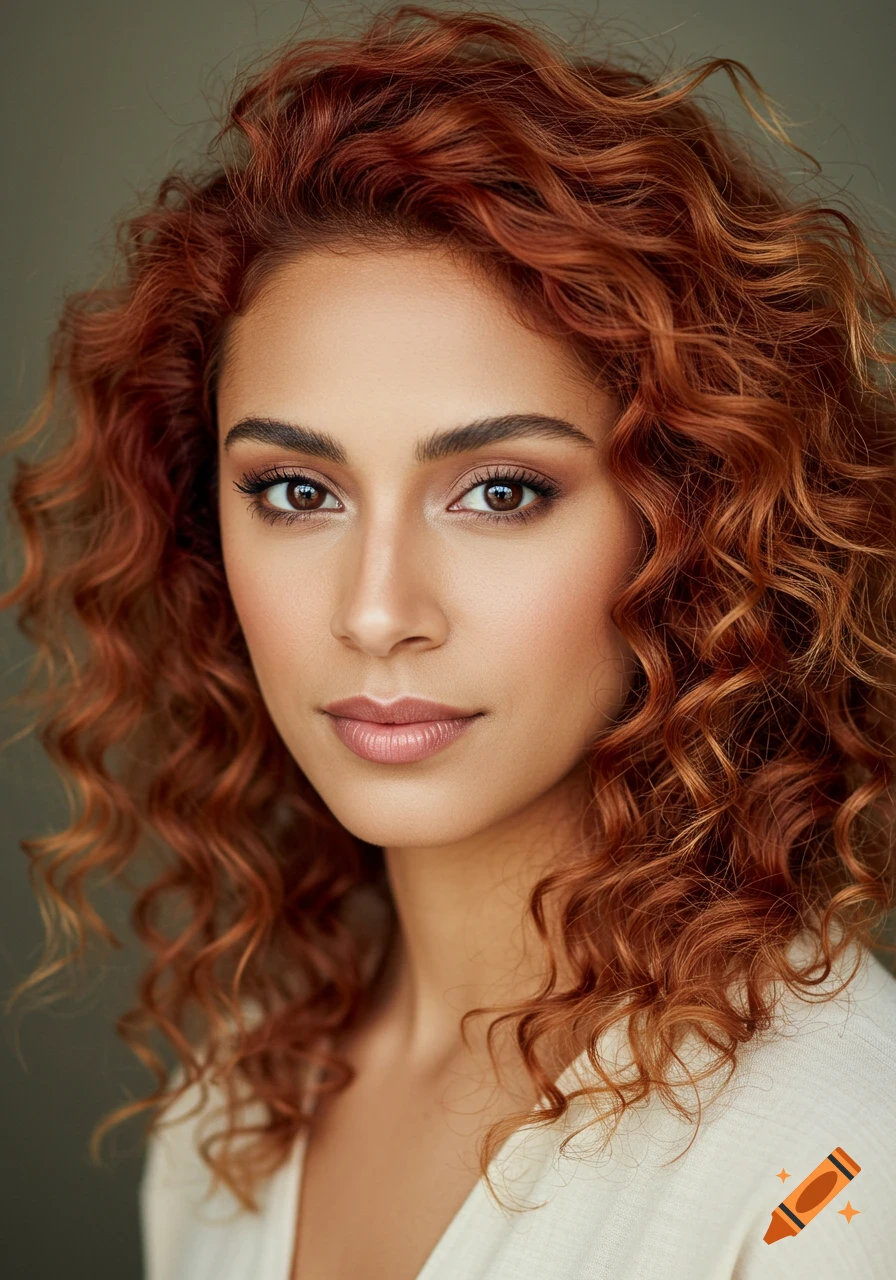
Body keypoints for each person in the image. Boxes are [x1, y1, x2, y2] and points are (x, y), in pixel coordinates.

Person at [3, 5, 896, 1278]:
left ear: (690, 520)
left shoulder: (830, 1171)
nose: (375, 611)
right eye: (297, 493)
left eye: (499, 491)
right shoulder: (228, 1112)